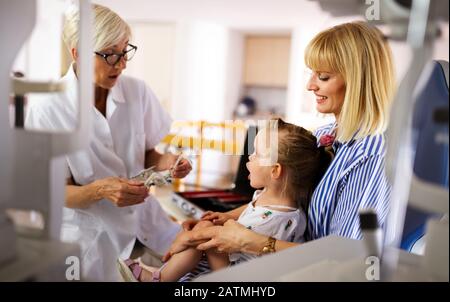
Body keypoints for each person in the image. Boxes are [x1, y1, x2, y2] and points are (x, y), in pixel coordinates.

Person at [159, 21, 396, 268]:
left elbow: (348, 257)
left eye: (323, 77)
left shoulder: (373, 153)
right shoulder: (324, 135)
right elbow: (281, 199)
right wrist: (226, 219)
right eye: (312, 73)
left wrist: (251, 241)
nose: (310, 85)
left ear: (358, 81)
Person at [25, 4, 192, 281]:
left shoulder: (137, 92)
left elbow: (149, 152)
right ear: (77, 53)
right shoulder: (48, 110)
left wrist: (168, 162)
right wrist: (102, 189)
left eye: (125, 51)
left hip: (146, 224)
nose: (122, 64)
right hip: (88, 237)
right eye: (110, 55)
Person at [118, 119, 332, 281]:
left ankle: (160, 278)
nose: (249, 157)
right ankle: (165, 273)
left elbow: (228, 239)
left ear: (275, 171)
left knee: (200, 238)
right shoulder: (270, 196)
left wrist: (190, 237)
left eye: (256, 154)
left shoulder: (278, 219)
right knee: (203, 230)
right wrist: (227, 215)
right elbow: (251, 207)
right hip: (233, 261)